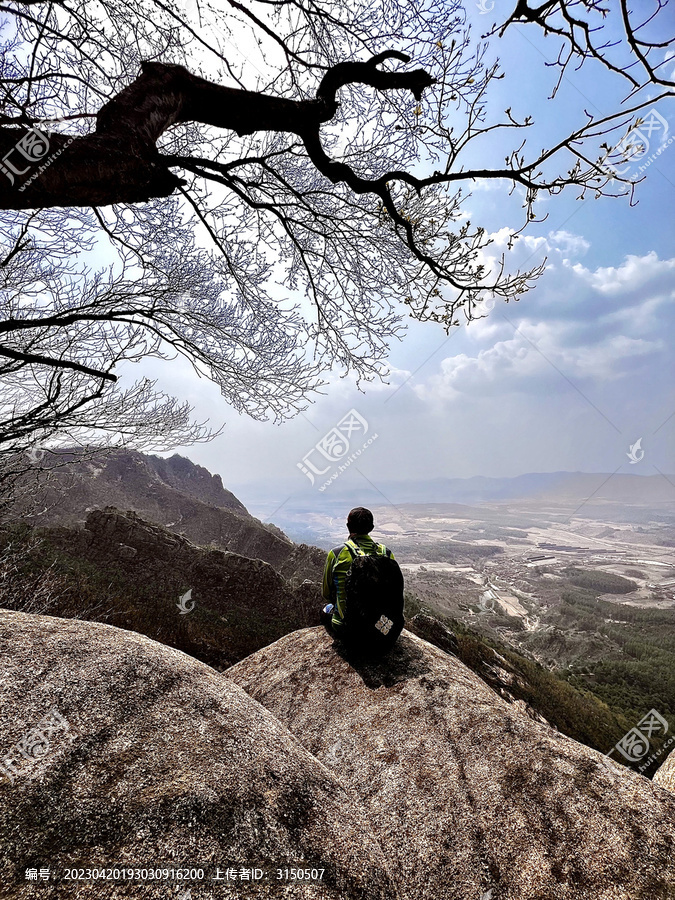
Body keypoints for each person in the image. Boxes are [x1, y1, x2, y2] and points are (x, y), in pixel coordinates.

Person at [321, 506, 395, 639]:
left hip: (347, 631)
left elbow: (326, 593)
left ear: (348, 526)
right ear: (371, 528)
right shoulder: (386, 554)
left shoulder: (336, 554)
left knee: (326, 609)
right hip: (382, 632)